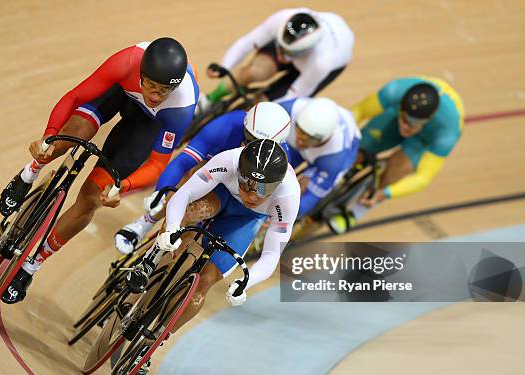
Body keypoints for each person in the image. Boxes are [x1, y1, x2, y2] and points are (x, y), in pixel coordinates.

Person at [0, 37, 199, 304]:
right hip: (119, 94)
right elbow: (76, 96)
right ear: (141, 73)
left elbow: (157, 164)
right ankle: (28, 174)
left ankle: (31, 266)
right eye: (151, 84)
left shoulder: (181, 107)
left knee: (92, 198)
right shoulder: (127, 61)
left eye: (163, 90)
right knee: (65, 140)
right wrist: (49, 136)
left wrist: (122, 187)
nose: (154, 94)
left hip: (146, 124)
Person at [127, 139, 300, 375]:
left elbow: (272, 254)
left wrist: (245, 283)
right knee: (188, 217)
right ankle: (150, 261)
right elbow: (184, 194)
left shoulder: (289, 195)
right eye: (246, 183)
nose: (251, 194)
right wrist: (172, 230)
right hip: (220, 196)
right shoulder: (228, 160)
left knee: (205, 282)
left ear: (277, 186)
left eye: (262, 190)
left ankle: (148, 346)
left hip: (245, 221)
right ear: (239, 171)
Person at [115, 101, 291, 254]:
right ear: (244, 125)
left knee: (193, 233)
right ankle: (146, 222)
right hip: (215, 172)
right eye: (248, 137)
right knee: (190, 178)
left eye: (258, 142)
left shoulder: (280, 160)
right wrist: (160, 192)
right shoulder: (226, 126)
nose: (250, 145)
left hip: (241, 192)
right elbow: (183, 162)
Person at [328, 76, 464, 233]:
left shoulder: (447, 131)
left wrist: (386, 193)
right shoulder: (394, 92)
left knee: (397, 170)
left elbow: (423, 177)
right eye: (405, 119)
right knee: (360, 148)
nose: (406, 127)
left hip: (425, 139)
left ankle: (357, 211)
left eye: (414, 124)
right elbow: (355, 114)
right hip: (394, 115)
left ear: (429, 119)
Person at [197, 8, 354, 113]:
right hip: (299, 48)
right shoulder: (281, 19)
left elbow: (294, 96)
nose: (281, 57)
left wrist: (264, 109)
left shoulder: (321, 61)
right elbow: (246, 43)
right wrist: (225, 66)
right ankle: (210, 100)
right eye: (281, 48)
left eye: (289, 53)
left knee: (263, 106)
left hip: (325, 65)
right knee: (254, 72)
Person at [281, 97, 361, 218]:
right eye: (299, 130)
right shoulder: (289, 109)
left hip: (331, 155)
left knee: (306, 188)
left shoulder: (335, 158)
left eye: (308, 138)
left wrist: (283, 217)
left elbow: (310, 198)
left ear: (325, 138)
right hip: (312, 148)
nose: (300, 141)